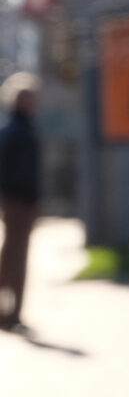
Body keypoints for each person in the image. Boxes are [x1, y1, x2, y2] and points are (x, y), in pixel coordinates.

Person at [0, 73, 41, 332]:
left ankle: (11, 312)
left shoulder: (21, 128)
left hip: (20, 199)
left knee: (11, 256)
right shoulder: (16, 130)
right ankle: (11, 313)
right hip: (18, 200)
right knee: (15, 257)